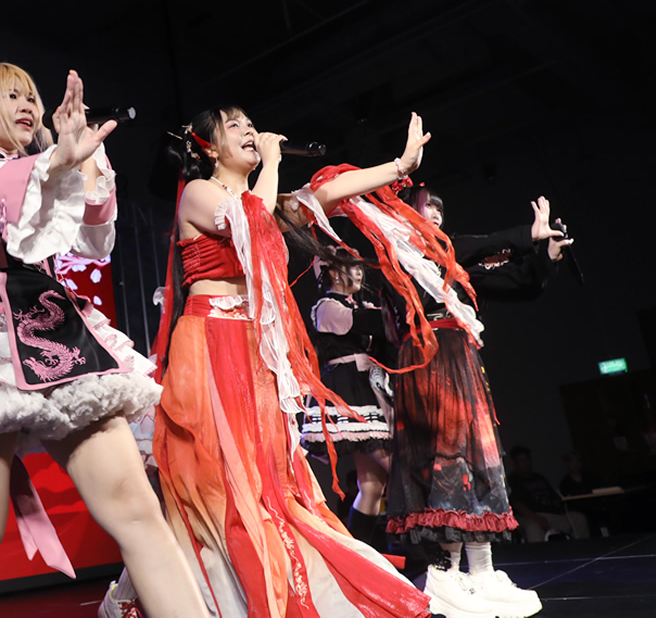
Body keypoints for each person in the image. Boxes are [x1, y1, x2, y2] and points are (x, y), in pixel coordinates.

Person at [0, 63, 209, 618]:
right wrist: (53, 164)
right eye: (13, 95)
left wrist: (87, 165)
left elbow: (95, 244)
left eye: (33, 96)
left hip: (60, 329)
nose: (29, 106)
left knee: (138, 513)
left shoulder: (50, 162)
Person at [152, 107, 434, 618]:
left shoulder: (261, 199)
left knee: (269, 473)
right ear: (209, 148)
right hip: (210, 340)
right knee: (221, 473)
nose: (249, 131)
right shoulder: (199, 193)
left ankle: (275, 577)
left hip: (252, 347)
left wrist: (399, 165)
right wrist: (274, 162)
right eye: (234, 126)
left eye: (249, 124)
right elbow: (249, 219)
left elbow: (326, 194)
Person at [304, 183, 570, 618]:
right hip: (429, 362)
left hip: (458, 359)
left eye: (441, 211)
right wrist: (526, 235)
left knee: (478, 461)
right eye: (428, 209)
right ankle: (444, 573)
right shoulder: (404, 256)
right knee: (444, 464)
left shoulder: (447, 265)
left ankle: (481, 572)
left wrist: (547, 256)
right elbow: (470, 247)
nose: (436, 217)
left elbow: (513, 282)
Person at [299, 249, 394, 549]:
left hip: (370, 389)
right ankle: (421, 548)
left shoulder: (359, 306)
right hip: (351, 393)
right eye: (353, 267)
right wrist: (397, 301)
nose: (360, 273)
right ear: (335, 273)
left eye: (360, 267)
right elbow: (371, 322)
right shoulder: (327, 307)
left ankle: (360, 555)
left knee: (372, 485)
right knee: (398, 468)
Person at [508, 446, 589, 542]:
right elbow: (518, 505)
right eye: (522, 461)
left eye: (528, 459)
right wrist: (537, 518)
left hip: (551, 513)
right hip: (531, 516)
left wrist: (559, 506)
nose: (526, 463)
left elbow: (554, 497)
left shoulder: (539, 478)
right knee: (533, 527)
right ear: (515, 463)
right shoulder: (513, 480)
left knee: (579, 519)